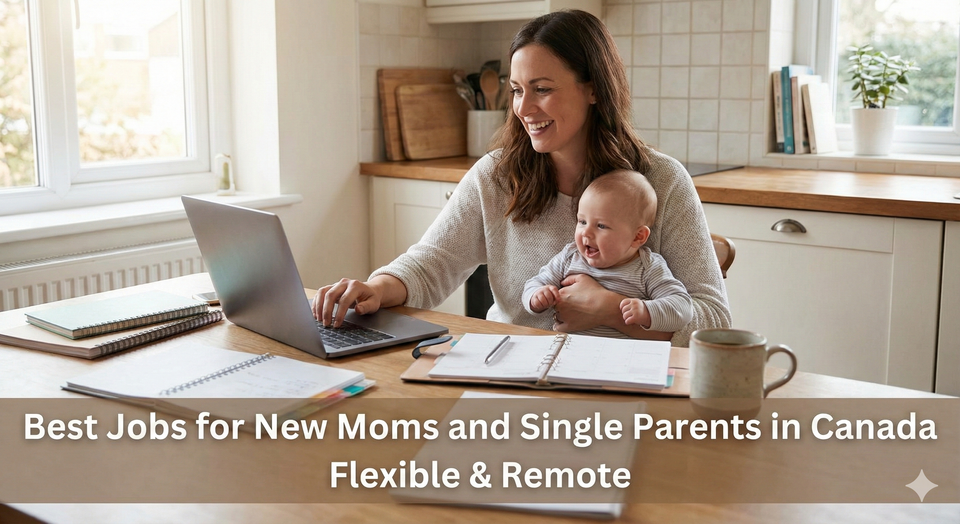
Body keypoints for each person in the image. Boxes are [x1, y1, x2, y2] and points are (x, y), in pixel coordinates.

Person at [314, 9, 730, 346]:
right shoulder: (496, 175)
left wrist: (607, 309)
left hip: (623, 380)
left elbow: (714, 322)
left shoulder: (662, 181)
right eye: (516, 90)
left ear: (594, 89)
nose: (524, 107)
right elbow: (432, 263)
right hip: (511, 365)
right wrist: (376, 288)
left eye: (542, 88)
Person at [523, 169, 693, 338]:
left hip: (625, 357)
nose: (586, 233)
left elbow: (683, 308)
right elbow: (535, 283)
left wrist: (646, 311)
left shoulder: (648, 268)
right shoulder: (570, 256)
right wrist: (537, 297)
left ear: (637, 237)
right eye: (582, 221)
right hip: (568, 351)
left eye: (601, 226)